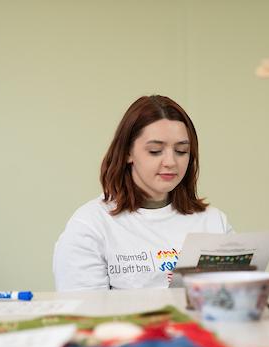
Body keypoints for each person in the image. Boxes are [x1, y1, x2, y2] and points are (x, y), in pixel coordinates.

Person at [53, 95, 232, 290]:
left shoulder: (214, 222)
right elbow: (86, 313)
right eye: (155, 150)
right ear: (127, 152)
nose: (171, 162)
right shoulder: (91, 225)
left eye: (181, 151)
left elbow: (236, 304)